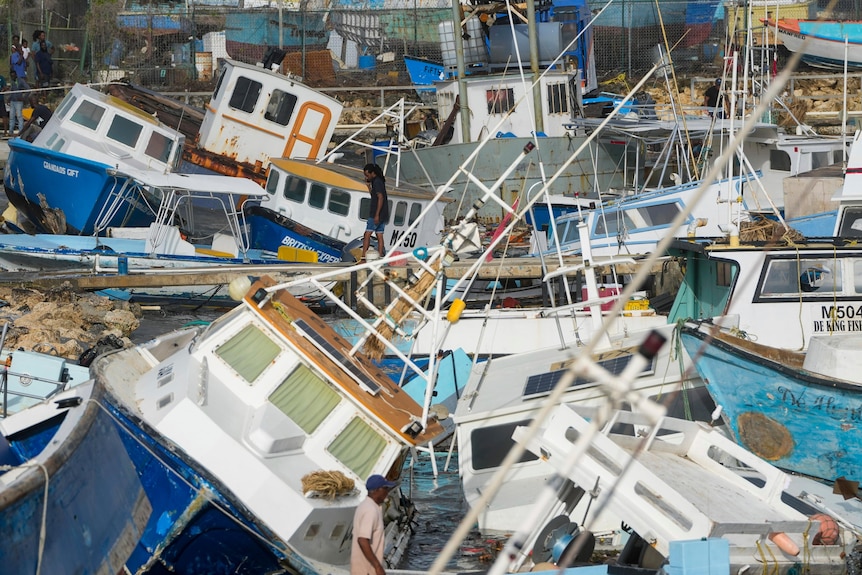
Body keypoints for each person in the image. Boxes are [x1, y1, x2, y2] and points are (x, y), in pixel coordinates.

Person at [351, 474, 396, 575]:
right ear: (377, 490)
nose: (387, 491)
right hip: (367, 571)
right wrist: (378, 567)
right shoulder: (370, 510)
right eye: (385, 488)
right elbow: (362, 540)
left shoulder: (365, 506)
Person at [361, 163, 389, 262]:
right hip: (384, 213)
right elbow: (374, 196)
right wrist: (368, 186)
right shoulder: (378, 181)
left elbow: (380, 198)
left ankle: (363, 257)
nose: (366, 177)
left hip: (376, 213)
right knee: (379, 234)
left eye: (367, 175)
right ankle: (380, 255)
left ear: (372, 173)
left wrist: (377, 214)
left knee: (367, 234)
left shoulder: (377, 182)